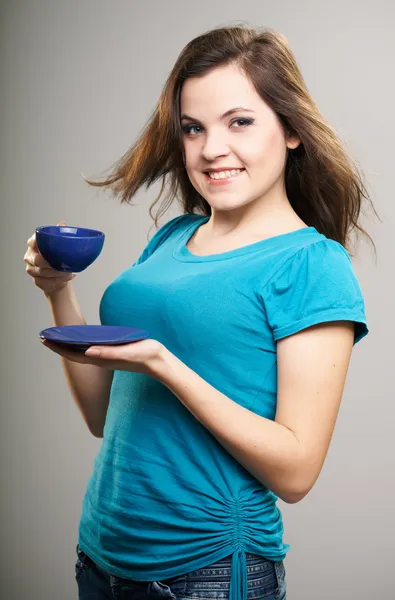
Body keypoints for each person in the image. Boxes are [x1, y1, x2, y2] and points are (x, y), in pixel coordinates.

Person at [24, 24, 375, 600]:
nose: (212, 149)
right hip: (101, 555)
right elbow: (102, 416)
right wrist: (59, 289)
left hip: (204, 570)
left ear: (289, 130)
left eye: (240, 122)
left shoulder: (311, 264)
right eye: (193, 128)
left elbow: (295, 473)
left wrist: (167, 365)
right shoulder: (171, 239)